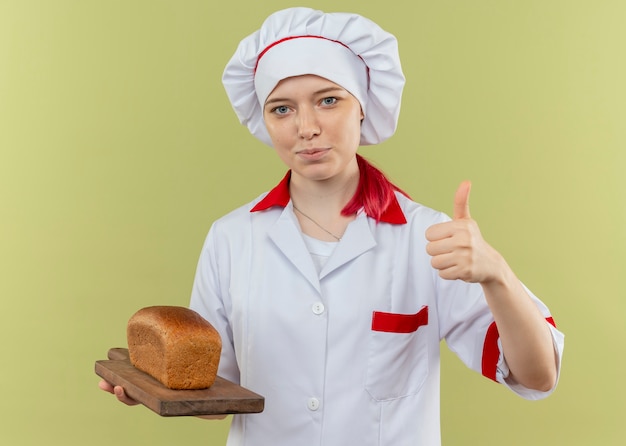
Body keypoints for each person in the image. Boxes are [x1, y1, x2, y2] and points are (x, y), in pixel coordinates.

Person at [100, 7, 564, 445]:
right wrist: (151, 388)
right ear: (263, 120)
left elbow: (537, 376)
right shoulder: (231, 238)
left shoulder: (428, 237)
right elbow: (217, 395)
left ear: (362, 106)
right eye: (282, 108)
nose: (306, 127)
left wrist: (496, 275)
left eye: (328, 100)